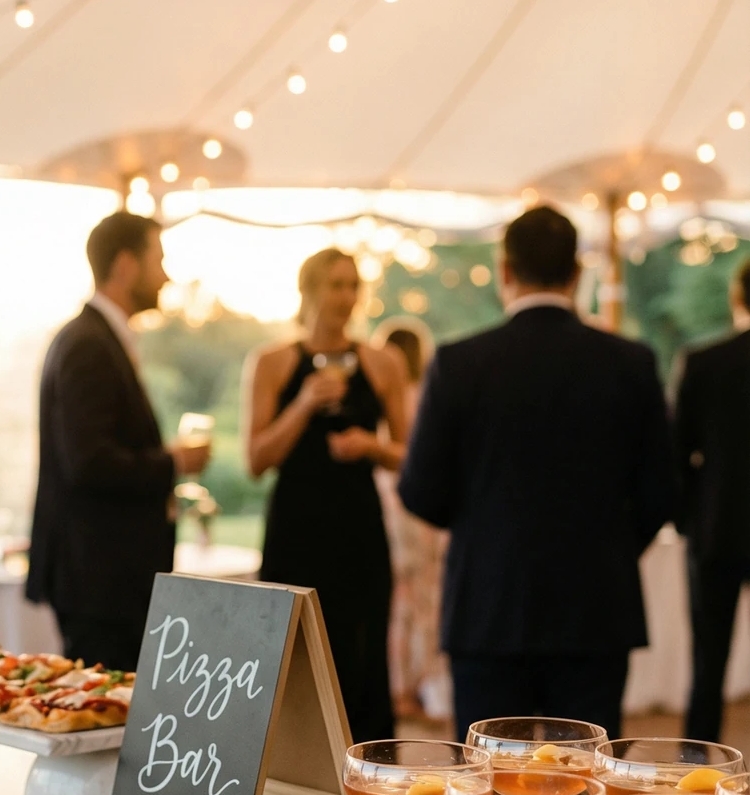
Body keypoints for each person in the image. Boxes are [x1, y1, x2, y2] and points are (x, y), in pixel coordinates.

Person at [399, 203, 676, 757]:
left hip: (489, 606)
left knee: (490, 793)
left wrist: (485, 530)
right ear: (577, 273)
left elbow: (420, 491)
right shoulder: (631, 362)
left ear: (505, 271)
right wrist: (609, 547)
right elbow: (661, 492)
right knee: (588, 786)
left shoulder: (459, 363)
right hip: (595, 606)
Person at [28, 211, 210, 673]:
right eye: (159, 259)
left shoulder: (100, 338)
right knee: (101, 716)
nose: (166, 275)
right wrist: (172, 463)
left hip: (104, 577)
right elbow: (88, 461)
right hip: (99, 580)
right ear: (126, 265)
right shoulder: (89, 344)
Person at [245, 249, 408, 742]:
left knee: (361, 657)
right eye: (335, 285)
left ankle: (368, 781)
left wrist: (370, 446)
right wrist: (304, 403)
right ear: (309, 290)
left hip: (358, 529)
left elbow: (410, 454)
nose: (346, 297)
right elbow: (255, 460)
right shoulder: (272, 362)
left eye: (353, 285)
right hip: (295, 529)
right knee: (286, 662)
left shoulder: (383, 362)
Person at [675, 257, 750, 740]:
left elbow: (676, 454)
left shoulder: (706, 363)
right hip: (713, 526)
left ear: (736, 297)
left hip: (717, 527)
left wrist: (689, 522)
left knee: (708, 662)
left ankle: (698, 757)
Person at [373, 320, 450, 721]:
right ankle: (418, 685)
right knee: (421, 599)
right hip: (416, 508)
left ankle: (406, 687)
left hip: (393, 504)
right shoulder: (423, 396)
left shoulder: (386, 396)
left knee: (404, 600)